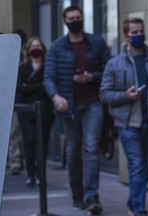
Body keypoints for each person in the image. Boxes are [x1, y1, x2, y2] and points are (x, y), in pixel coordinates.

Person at [44, 5, 110, 215]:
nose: (75, 20)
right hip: (69, 106)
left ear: (82, 19)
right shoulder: (57, 47)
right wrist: (56, 97)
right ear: (65, 21)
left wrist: (91, 77)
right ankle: (77, 194)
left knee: (91, 149)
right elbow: (48, 77)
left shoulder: (96, 42)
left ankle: (92, 197)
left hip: (93, 103)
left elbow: (108, 71)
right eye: (71, 18)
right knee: (73, 153)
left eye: (78, 17)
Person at [100, 18, 148, 216]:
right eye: (134, 32)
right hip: (127, 124)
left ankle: (133, 201)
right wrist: (126, 95)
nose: (138, 35)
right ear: (126, 36)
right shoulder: (115, 64)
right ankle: (139, 209)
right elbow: (104, 94)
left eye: (141, 31)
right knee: (137, 166)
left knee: (145, 168)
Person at [17, 36, 54, 187]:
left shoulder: (48, 68)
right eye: (33, 46)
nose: (35, 49)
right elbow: (21, 89)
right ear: (28, 50)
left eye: (38, 46)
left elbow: (48, 87)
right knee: (30, 140)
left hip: (45, 111)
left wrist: (29, 86)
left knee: (42, 142)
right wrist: (39, 86)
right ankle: (31, 174)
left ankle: (40, 174)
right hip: (26, 111)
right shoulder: (23, 68)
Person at [7, 29, 27, 175]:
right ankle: (14, 160)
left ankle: (17, 159)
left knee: (17, 131)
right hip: (12, 99)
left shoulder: (25, 58)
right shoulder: (9, 55)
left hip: (22, 99)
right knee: (13, 131)